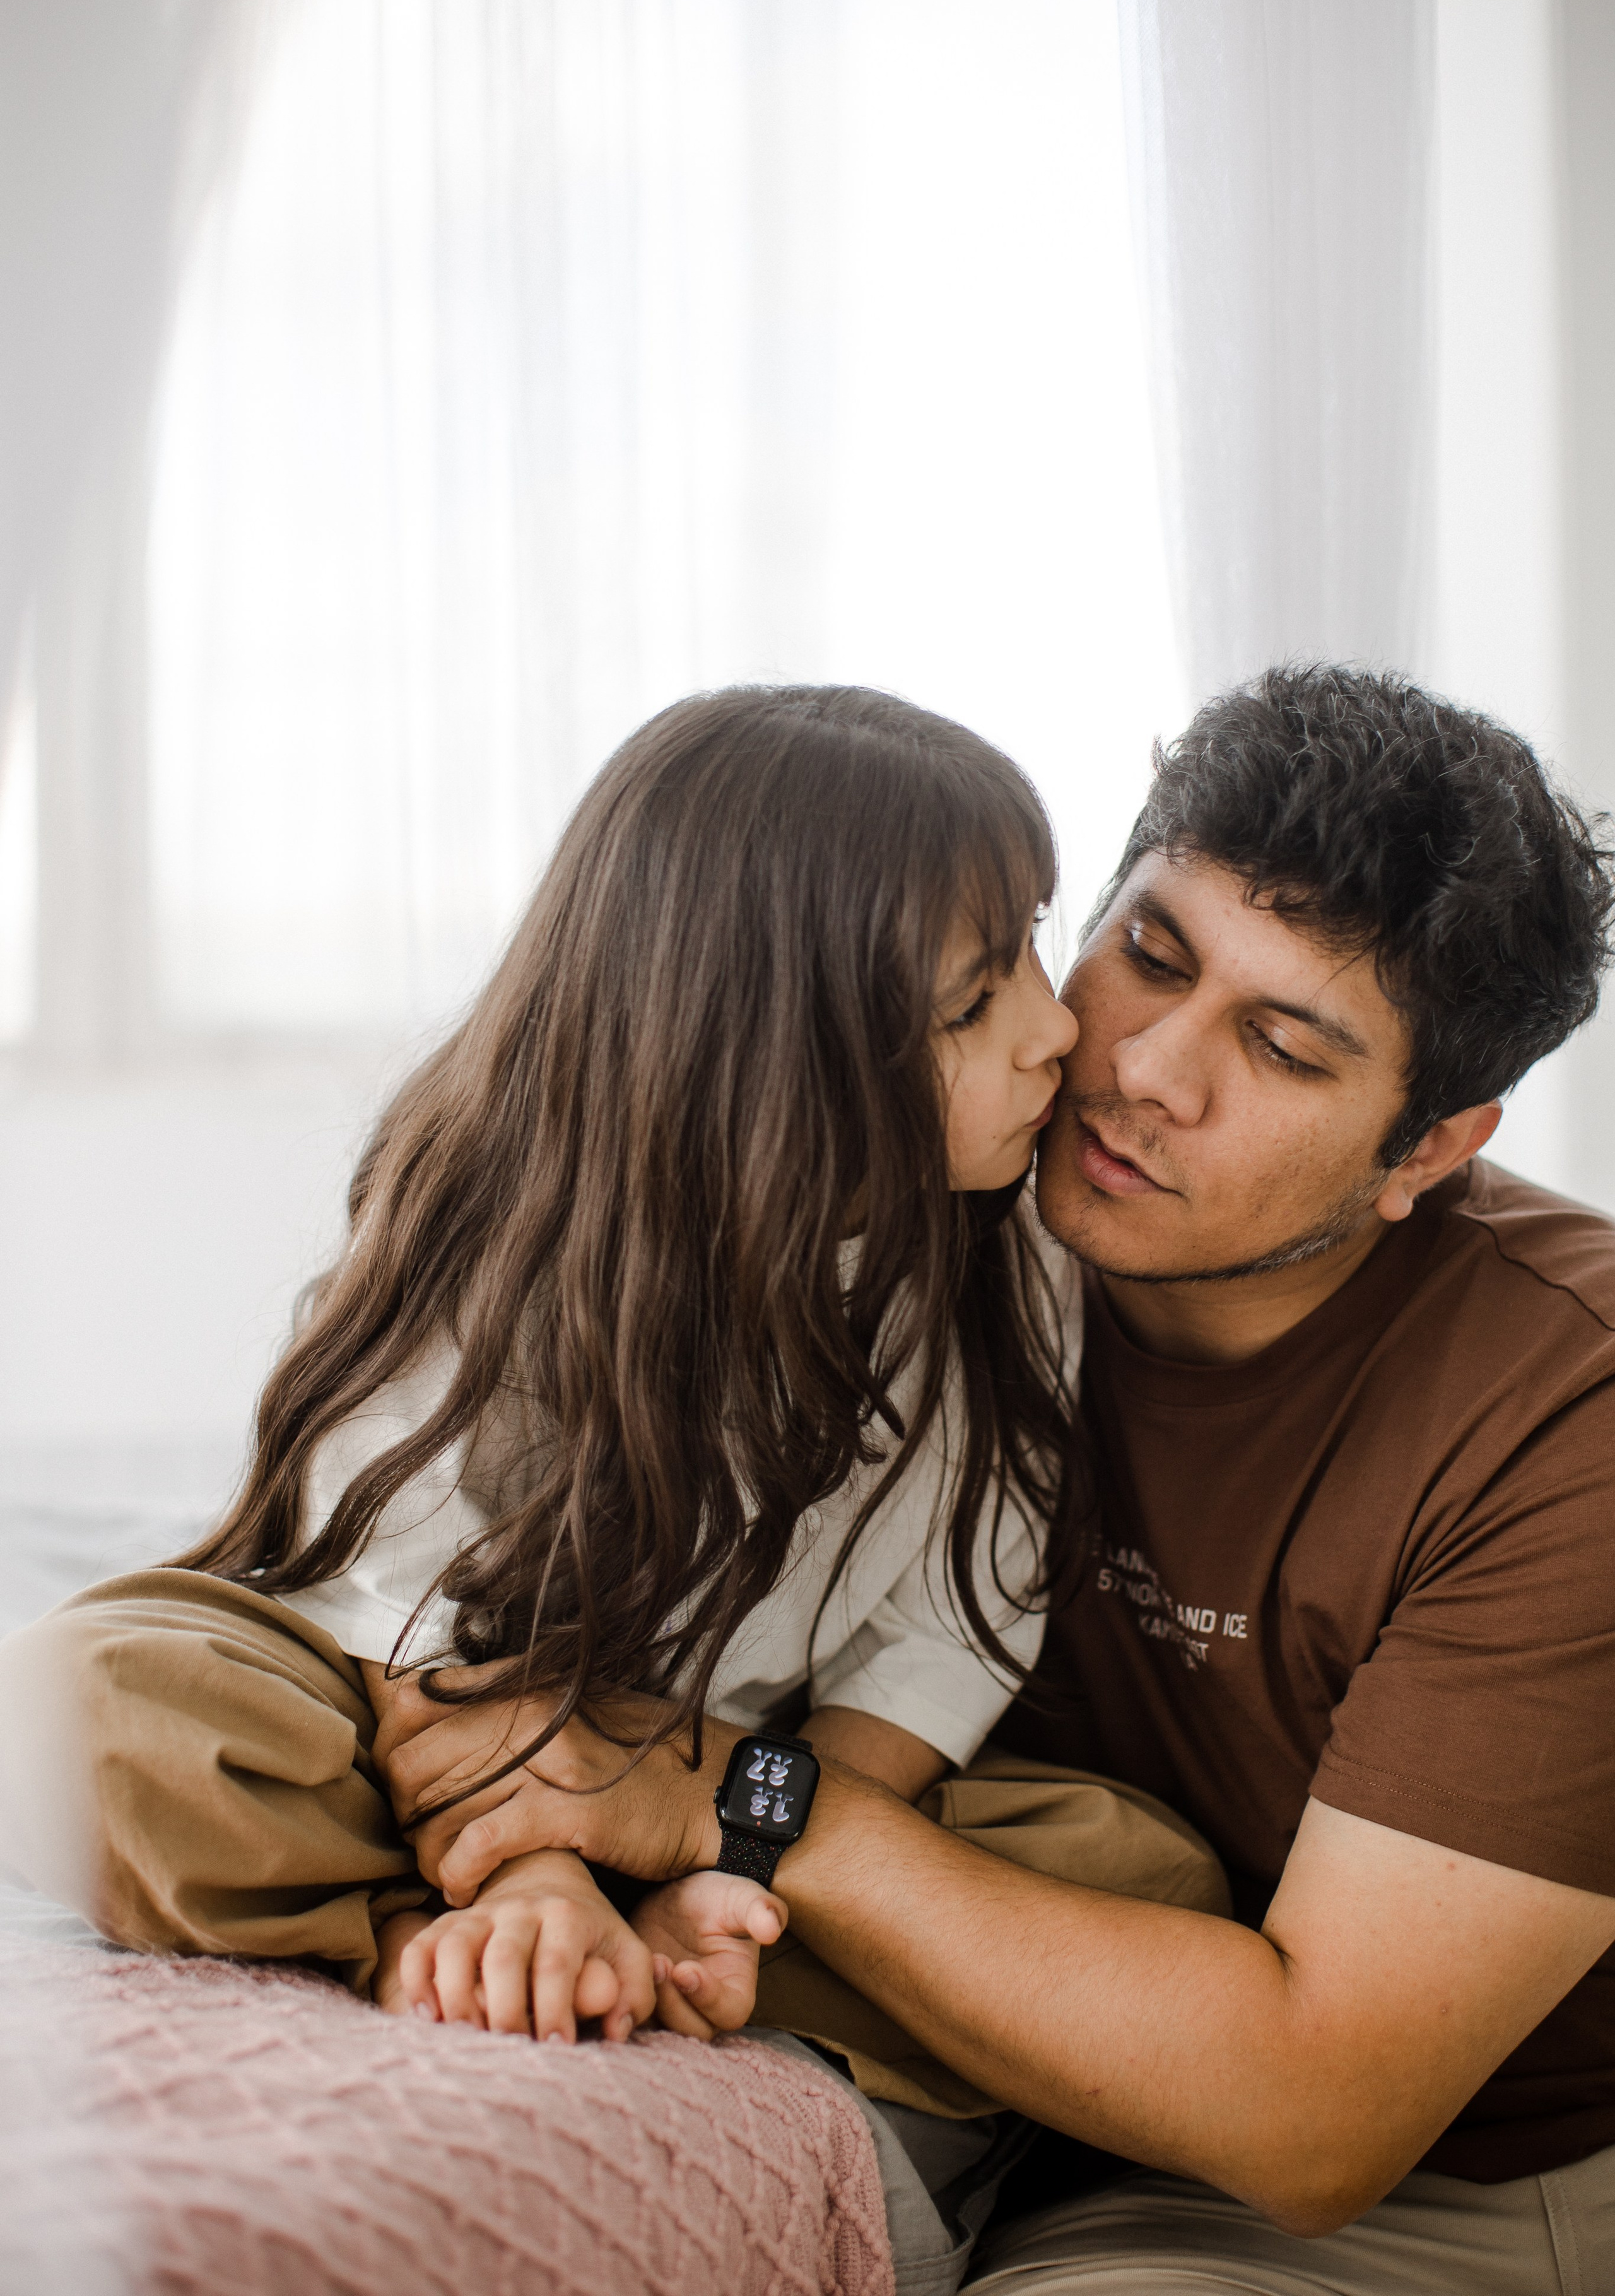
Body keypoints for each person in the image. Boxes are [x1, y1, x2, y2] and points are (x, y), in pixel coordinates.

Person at [384, 669, 1615, 2294]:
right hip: (933, 2024)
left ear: (1426, 1152)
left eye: (1283, 1050)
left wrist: (721, 1794)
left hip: (1371, 2176)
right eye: (1147, 956)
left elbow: (1314, 2115)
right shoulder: (929, 1173)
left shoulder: (1563, 1407)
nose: (1141, 1074)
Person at [0, 684, 1223, 2080]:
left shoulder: (1015, 1249)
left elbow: (948, 1630)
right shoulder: (498, 1242)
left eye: (1027, 947)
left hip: (731, 1769)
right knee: (87, 1705)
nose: (1051, 1032)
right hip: (409, 1719)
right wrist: (534, 1880)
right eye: (971, 999)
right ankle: (440, 1939)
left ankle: (675, 1937)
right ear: (766, 1058)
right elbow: (403, 1626)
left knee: (1142, 1876)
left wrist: (741, 1843)